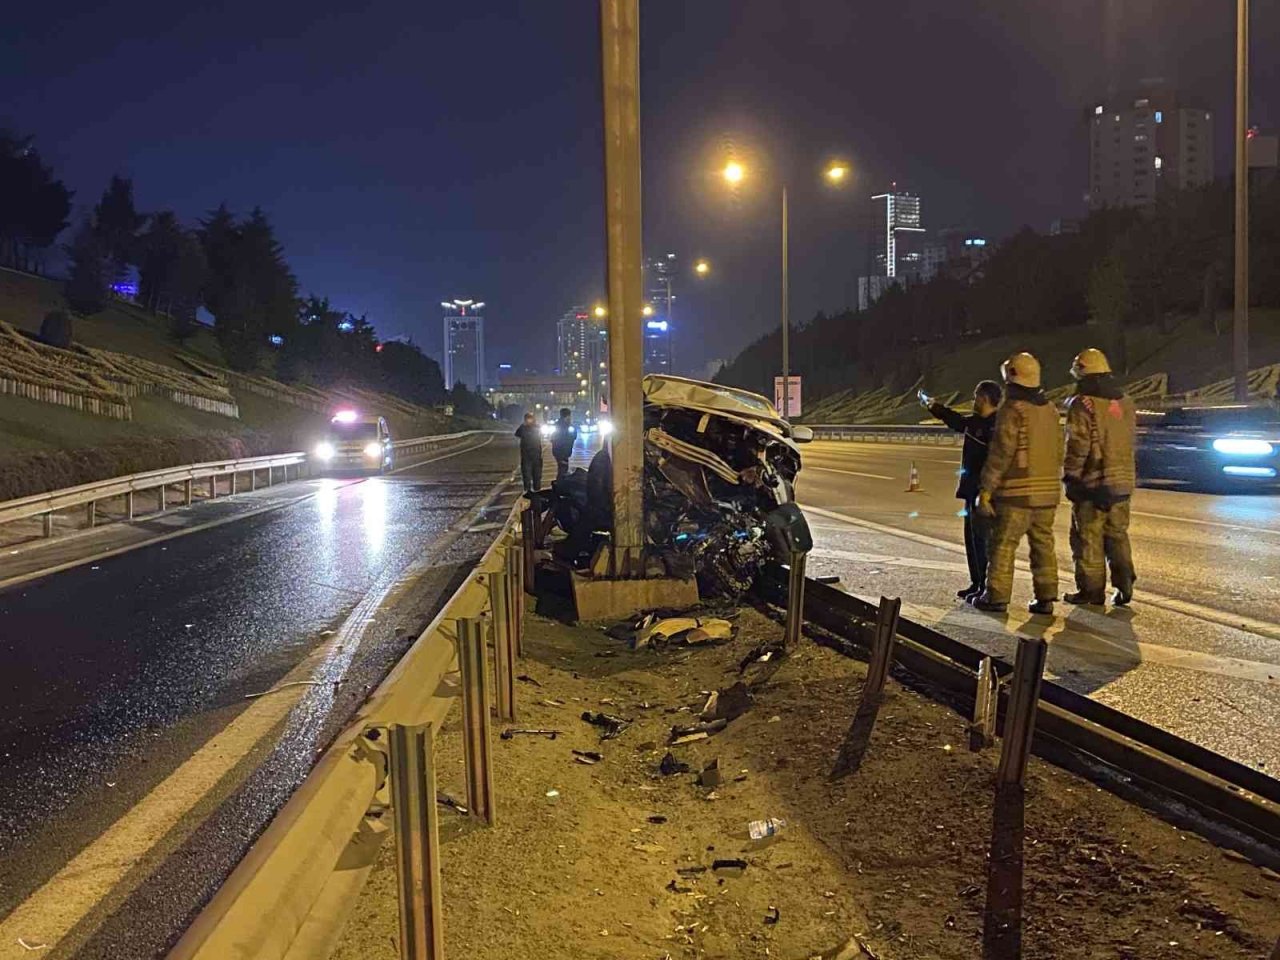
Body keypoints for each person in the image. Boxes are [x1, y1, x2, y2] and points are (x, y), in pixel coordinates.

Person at [972, 352, 1063, 616]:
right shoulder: (1050, 409)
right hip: (1048, 494)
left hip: (1016, 494)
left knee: (1003, 545)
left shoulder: (1012, 410)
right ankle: (1046, 597)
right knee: (1043, 545)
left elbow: (1001, 453)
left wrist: (986, 490)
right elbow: (1059, 449)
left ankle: (996, 596)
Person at [1062, 348, 1137, 606]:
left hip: (1092, 483)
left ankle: (1091, 591)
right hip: (1123, 483)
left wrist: (1071, 476)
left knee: (1088, 539)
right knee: (1117, 535)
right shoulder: (1125, 401)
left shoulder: (1082, 404)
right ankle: (1124, 584)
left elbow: (1078, 444)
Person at [922, 380, 1002, 601]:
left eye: (976, 396)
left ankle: (986, 586)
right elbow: (956, 421)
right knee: (972, 540)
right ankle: (977, 582)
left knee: (983, 542)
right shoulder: (977, 423)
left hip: (985, 493)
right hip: (971, 490)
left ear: (985, 398)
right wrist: (935, 407)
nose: (974, 400)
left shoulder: (996, 427)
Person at [514, 412, 543, 494]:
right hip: (526, 454)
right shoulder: (523, 428)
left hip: (536, 454)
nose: (529, 420)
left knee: (537, 474)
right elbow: (517, 434)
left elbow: (541, 433)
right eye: (528, 419)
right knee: (526, 474)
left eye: (531, 418)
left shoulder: (537, 427)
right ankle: (527, 490)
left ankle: (537, 490)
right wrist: (524, 426)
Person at [551, 407, 577, 479]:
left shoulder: (557, 425)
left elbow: (553, 438)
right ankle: (560, 486)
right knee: (563, 470)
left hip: (560, 451)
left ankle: (560, 485)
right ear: (567, 416)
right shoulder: (567, 426)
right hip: (562, 452)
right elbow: (573, 436)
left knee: (562, 469)